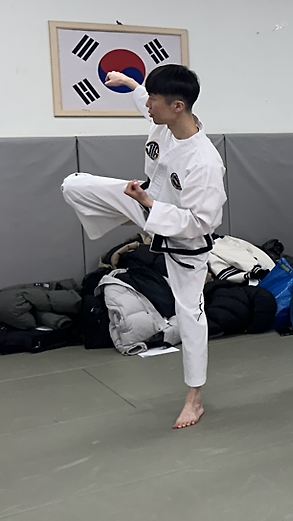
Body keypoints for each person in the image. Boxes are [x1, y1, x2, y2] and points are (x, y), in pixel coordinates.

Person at [61, 65, 226, 429]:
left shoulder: (204, 162)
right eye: (149, 98)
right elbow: (142, 100)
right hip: (146, 203)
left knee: (190, 315)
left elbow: (202, 222)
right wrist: (129, 83)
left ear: (178, 106)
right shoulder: (163, 122)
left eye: (154, 100)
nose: (148, 105)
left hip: (184, 239)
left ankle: (194, 398)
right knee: (73, 185)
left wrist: (150, 206)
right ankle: (131, 218)